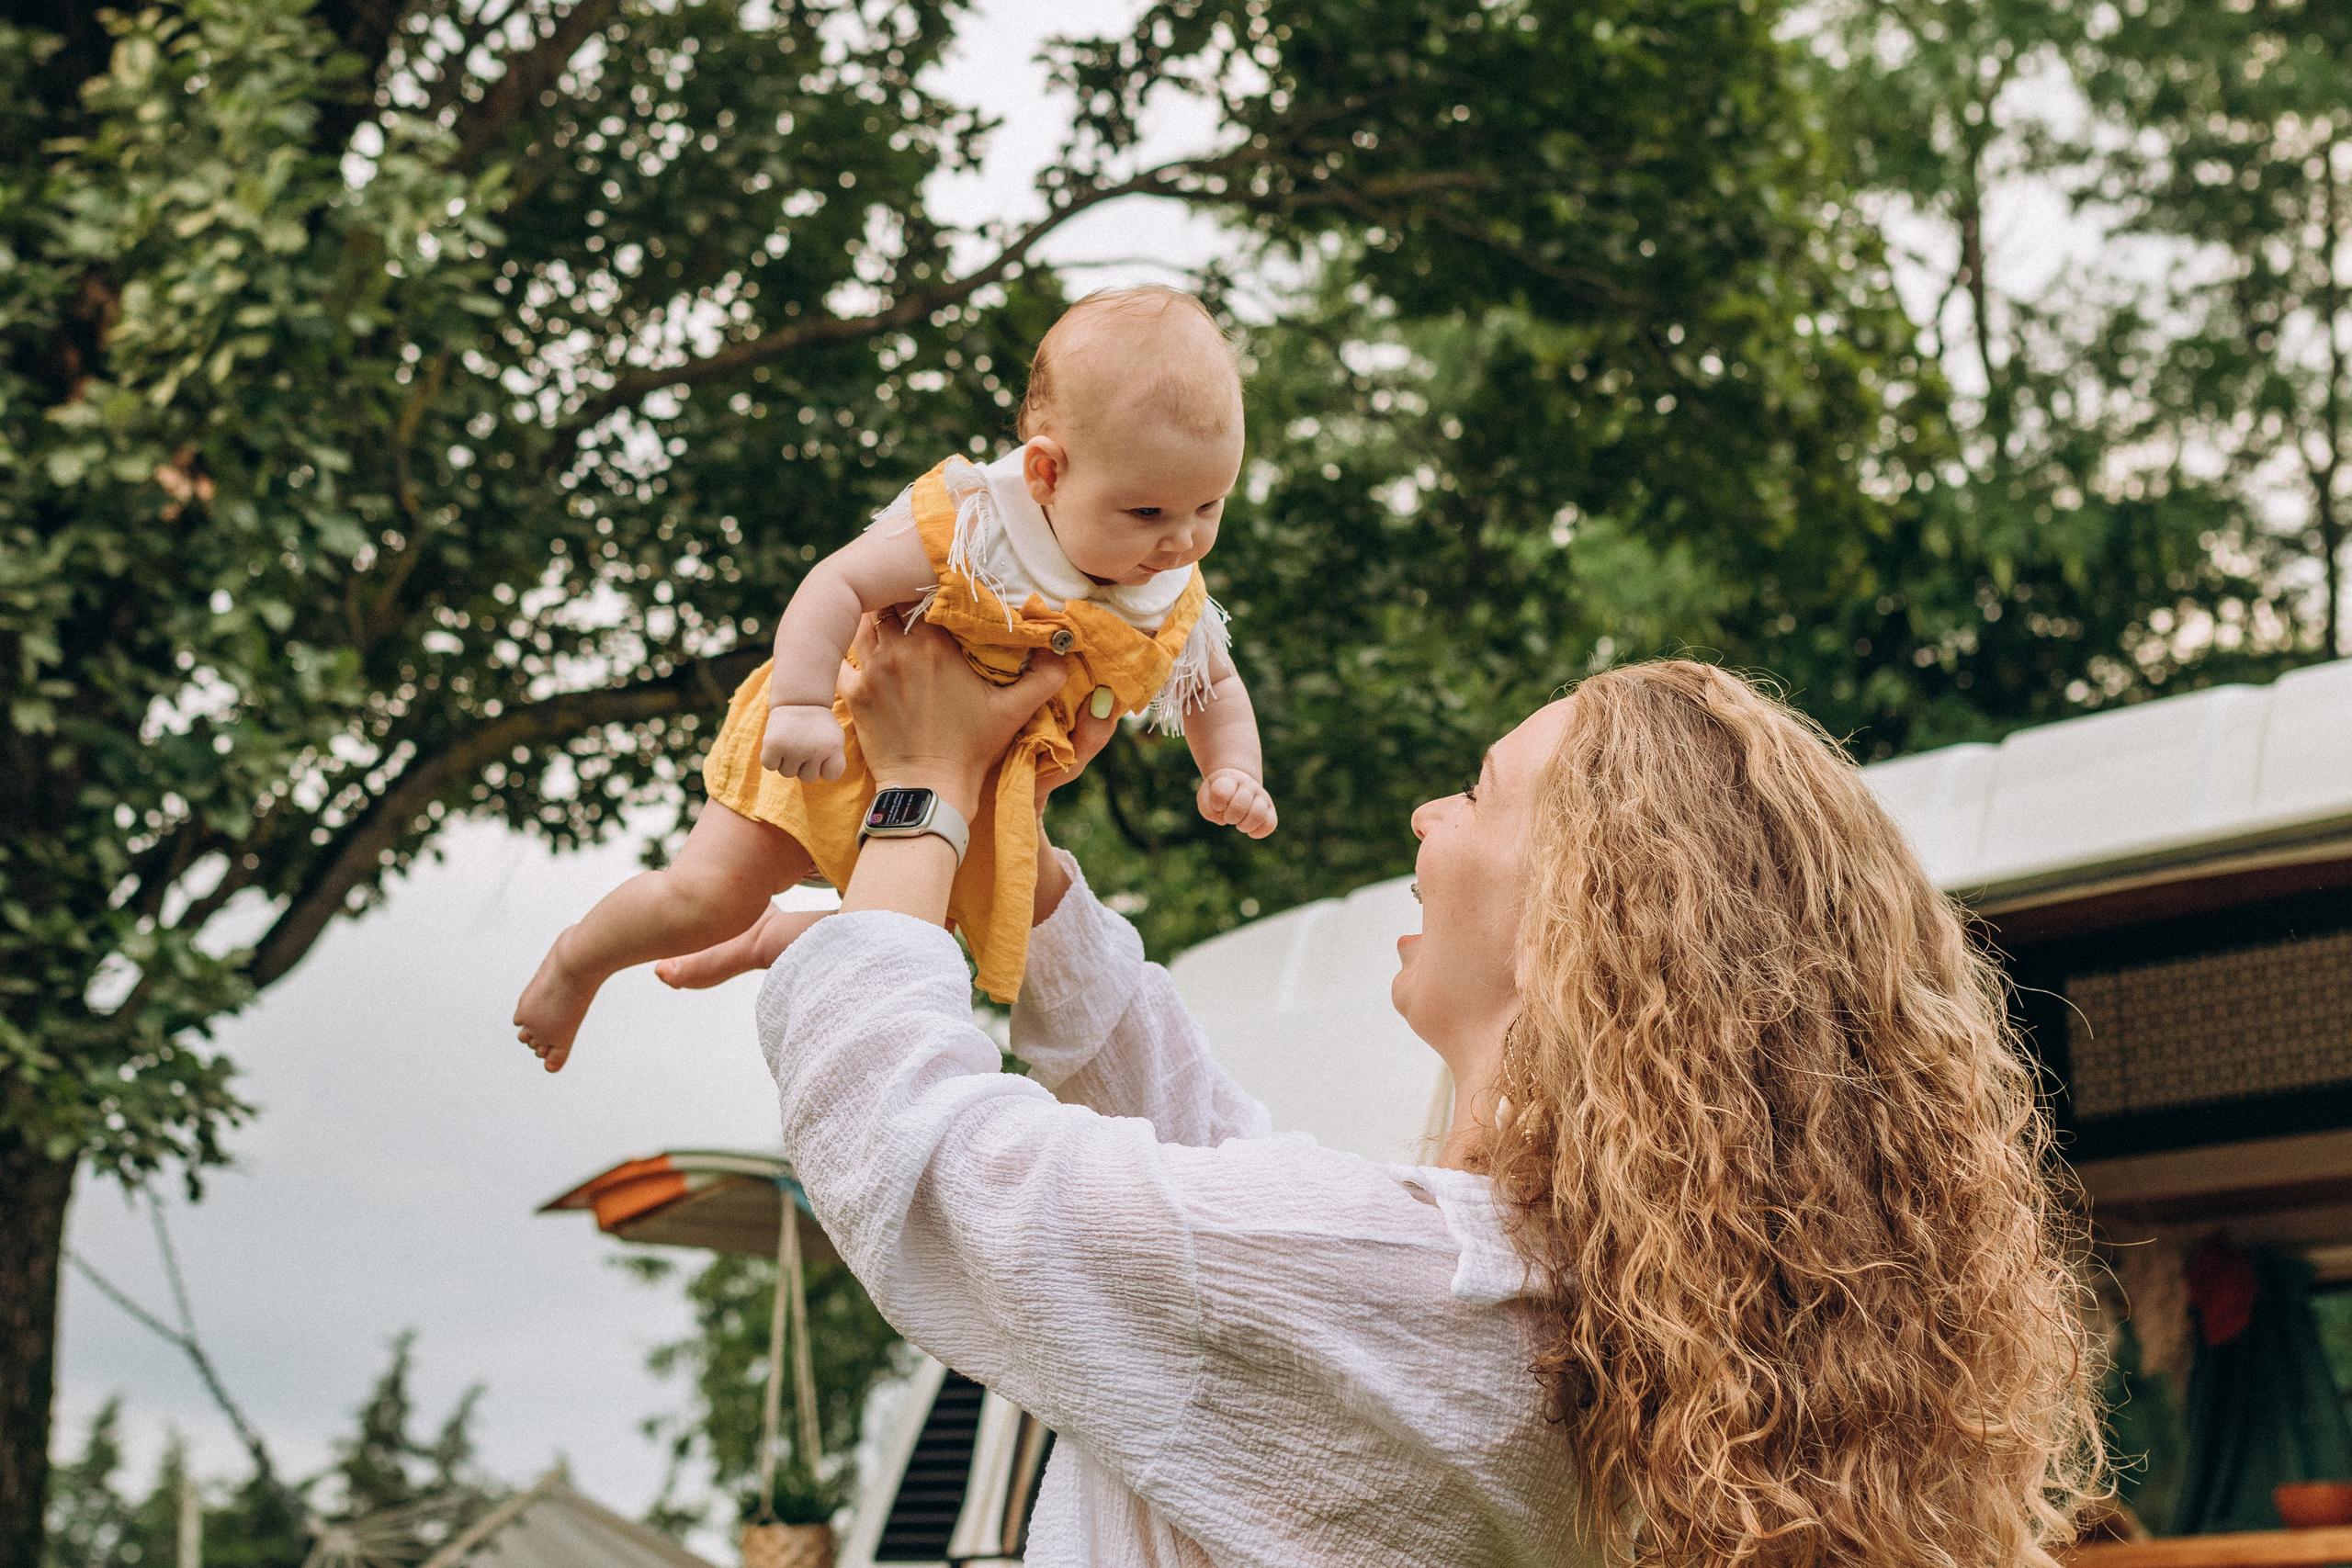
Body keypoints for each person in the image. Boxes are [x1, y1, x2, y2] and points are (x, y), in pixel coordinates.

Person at [704, 623, 2108, 1568]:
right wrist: (1019, 886)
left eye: (1478, 791)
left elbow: (922, 1164)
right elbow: (1222, 1183)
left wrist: (923, 793)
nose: (1427, 821)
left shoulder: (1423, 1289)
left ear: (1582, 915)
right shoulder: (1561, 1311)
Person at [514, 287, 1276, 1069]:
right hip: (836, 737)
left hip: (974, 790)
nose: (1182, 540)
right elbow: (837, 583)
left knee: (925, 949)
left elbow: (1214, 686)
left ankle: (771, 941)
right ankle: (581, 958)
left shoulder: (1164, 588)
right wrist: (803, 704)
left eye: (1209, 506)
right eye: (1147, 512)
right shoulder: (976, 528)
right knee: (707, 898)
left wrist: (1232, 769)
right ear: (1045, 473)